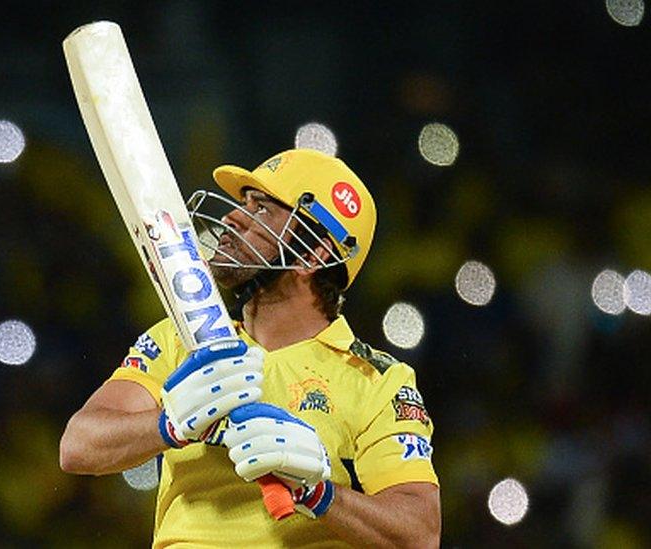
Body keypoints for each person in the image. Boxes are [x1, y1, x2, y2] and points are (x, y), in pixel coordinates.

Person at [60, 149, 441, 548]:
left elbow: (420, 535)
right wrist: (169, 423)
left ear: (314, 254)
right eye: (244, 203)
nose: (231, 218)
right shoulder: (179, 339)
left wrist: (318, 493)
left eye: (261, 210)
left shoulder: (377, 381)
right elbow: (78, 446)